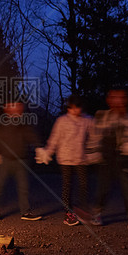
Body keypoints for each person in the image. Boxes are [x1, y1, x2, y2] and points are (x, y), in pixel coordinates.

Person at [88, 88, 128, 230]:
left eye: (122, 97)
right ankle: (97, 214)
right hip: (106, 158)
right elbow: (95, 136)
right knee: (103, 187)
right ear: (109, 100)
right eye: (114, 97)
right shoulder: (102, 115)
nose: (118, 101)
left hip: (124, 157)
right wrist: (92, 155)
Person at [38, 95, 94, 226]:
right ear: (68, 108)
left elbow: (93, 138)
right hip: (65, 158)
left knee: (84, 184)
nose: (75, 111)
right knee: (67, 186)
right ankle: (68, 213)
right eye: (72, 108)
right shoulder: (62, 121)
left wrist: (93, 153)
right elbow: (54, 139)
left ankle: (82, 209)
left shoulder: (88, 120)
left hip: (81, 158)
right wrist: (48, 152)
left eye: (77, 108)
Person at [0, 101, 42, 221]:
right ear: (8, 109)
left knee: (24, 188)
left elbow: (31, 136)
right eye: (15, 108)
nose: (18, 110)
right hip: (4, 160)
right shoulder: (1, 123)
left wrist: (38, 147)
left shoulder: (24, 123)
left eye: (19, 108)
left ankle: (25, 212)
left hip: (21, 160)